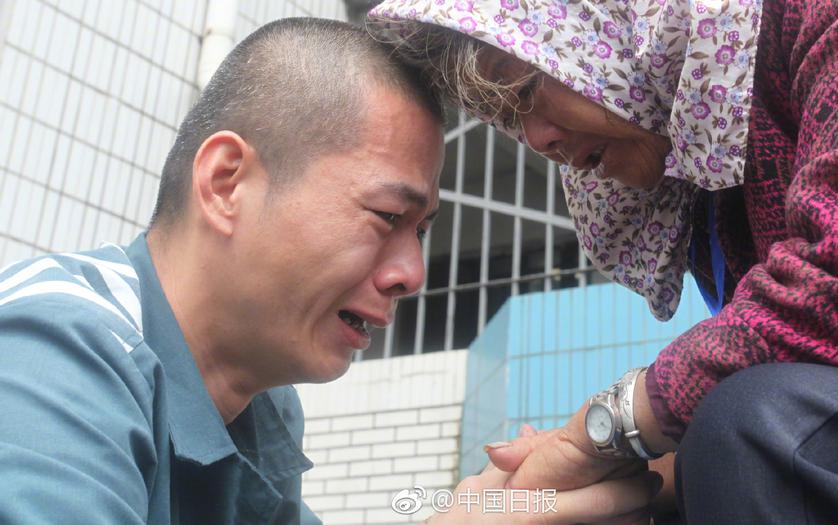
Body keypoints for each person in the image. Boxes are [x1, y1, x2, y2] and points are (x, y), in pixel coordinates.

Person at [0, 16, 660, 525]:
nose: (412, 272)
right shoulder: (53, 349)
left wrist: (488, 507)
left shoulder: (265, 412)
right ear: (227, 182)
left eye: (423, 231)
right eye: (384, 216)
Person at [368, 0, 838, 523]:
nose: (538, 140)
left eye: (524, 91)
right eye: (509, 123)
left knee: (752, 423)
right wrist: (574, 488)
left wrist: (601, 434)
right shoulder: (708, 180)